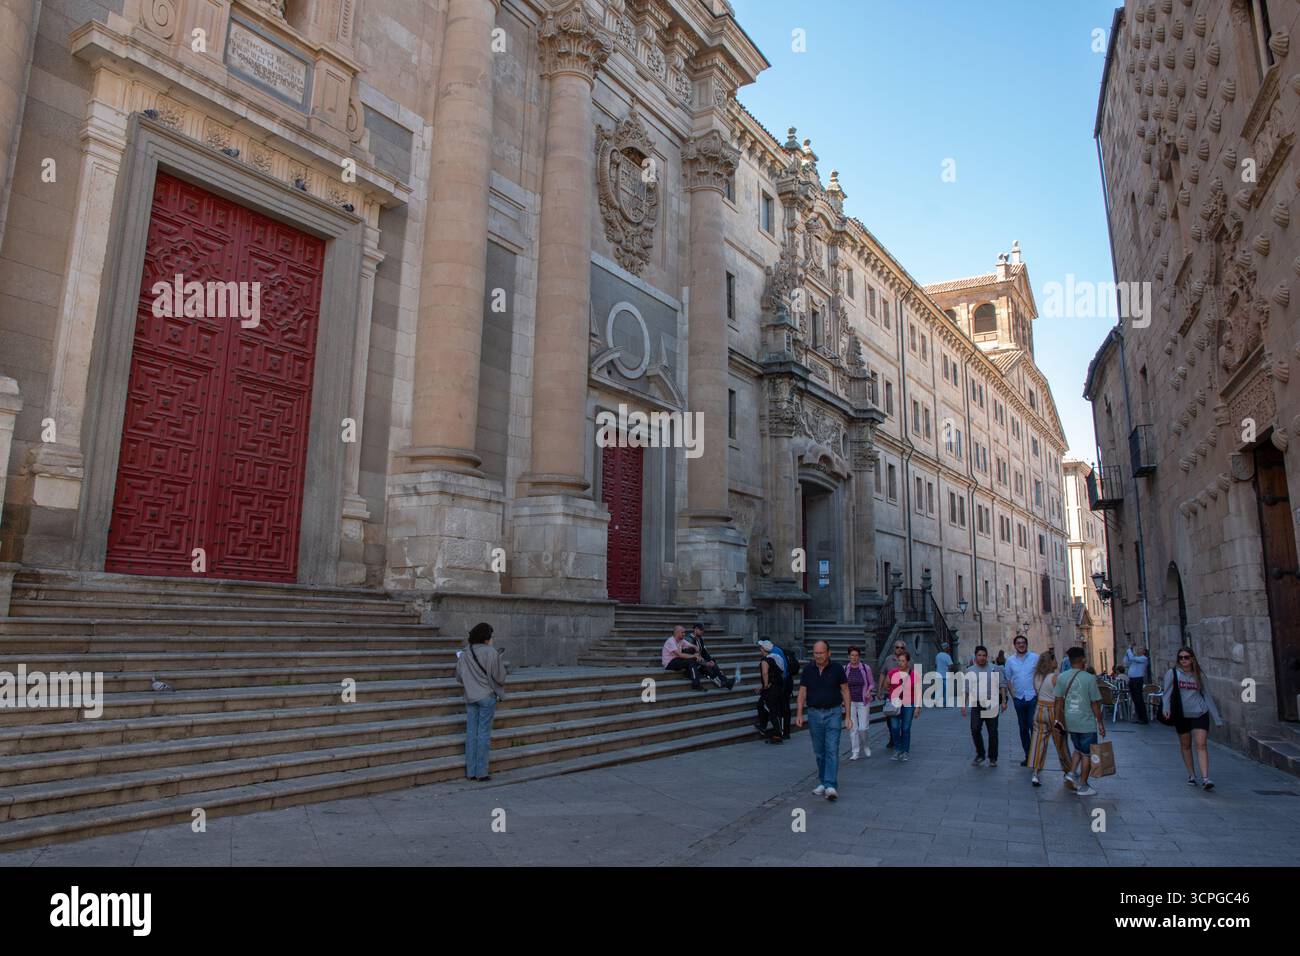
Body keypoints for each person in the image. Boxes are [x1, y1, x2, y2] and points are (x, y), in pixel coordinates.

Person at [1162, 647, 1224, 790]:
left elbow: (1207, 695)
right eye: (1181, 657)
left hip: (1200, 712)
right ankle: (1191, 774)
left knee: (1201, 744)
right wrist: (1166, 708)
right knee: (1185, 744)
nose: (1184, 660)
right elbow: (1166, 693)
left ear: (1192, 658)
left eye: (1186, 657)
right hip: (1181, 714)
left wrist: (1217, 718)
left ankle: (1206, 778)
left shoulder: (1199, 675)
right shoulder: (1172, 674)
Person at [795, 640, 850, 800]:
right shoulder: (808, 670)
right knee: (819, 752)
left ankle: (831, 785)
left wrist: (848, 716)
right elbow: (802, 693)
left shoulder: (837, 668)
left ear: (829, 653)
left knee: (831, 749)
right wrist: (799, 714)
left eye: (821, 653)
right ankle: (824, 781)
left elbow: (845, 692)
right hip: (813, 714)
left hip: (833, 713)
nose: (818, 656)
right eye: (816, 653)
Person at [454, 622, 507, 781]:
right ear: (487, 637)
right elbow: (500, 677)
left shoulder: (465, 653)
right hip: (486, 696)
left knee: (471, 733)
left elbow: (458, 677)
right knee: (483, 733)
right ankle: (482, 772)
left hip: (470, 697)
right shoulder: (491, 652)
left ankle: (471, 772)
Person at [1056, 646, 1105, 796]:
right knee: (1087, 754)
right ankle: (1083, 785)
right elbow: (1095, 703)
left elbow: (1058, 701)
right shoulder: (1089, 678)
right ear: (1083, 659)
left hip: (1070, 720)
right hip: (1086, 721)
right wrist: (1100, 722)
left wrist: (1059, 719)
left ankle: (1071, 773)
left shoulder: (1062, 677)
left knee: (1078, 749)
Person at [1028, 650, 1072, 786]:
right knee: (1061, 743)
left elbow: (1037, 692)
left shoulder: (1036, 676)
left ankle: (1035, 773)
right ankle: (1068, 771)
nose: (1057, 662)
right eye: (1055, 660)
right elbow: (1061, 696)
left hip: (1039, 710)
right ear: (1050, 662)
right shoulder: (1055, 677)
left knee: (1038, 742)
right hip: (1053, 710)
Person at [962, 645, 1006, 767]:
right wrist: (963, 705)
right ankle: (980, 754)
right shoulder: (970, 670)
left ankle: (993, 757)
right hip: (977, 704)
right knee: (975, 729)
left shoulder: (994, 668)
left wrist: (1003, 702)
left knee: (992, 732)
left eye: (984, 655)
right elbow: (966, 688)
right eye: (979, 655)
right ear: (975, 656)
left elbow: (1002, 684)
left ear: (987, 657)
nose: (982, 658)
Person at [1003, 634, 1040, 766]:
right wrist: (1013, 696)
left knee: (1032, 725)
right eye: (1018, 643)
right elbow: (1008, 678)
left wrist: (1038, 692)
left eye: (1023, 642)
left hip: (1032, 697)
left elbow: (1040, 675)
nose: (1021, 644)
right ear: (1015, 645)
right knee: (1023, 728)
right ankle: (1028, 755)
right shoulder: (1010, 661)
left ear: (1026, 644)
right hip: (1019, 698)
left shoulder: (1035, 658)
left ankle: (1035, 755)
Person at [883, 648, 920, 761]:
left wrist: (918, 707)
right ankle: (897, 750)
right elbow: (886, 685)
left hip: (909, 704)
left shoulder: (914, 675)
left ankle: (905, 751)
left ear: (907, 662)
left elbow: (918, 692)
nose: (900, 663)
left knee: (905, 728)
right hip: (895, 703)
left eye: (903, 661)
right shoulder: (892, 672)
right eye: (899, 661)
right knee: (894, 727)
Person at [845, 646, 875, 759]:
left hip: (863, 701)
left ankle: (866, 745)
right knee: (853, 728)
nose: (854, 657)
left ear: (859, 657)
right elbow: (843, 686)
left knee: (863, 727)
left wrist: (868, 691)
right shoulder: (845, 669)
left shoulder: (865, 668)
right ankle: (855, 751)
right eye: (852, 655)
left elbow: (872, 683)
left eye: (856, 655)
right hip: (850, 702)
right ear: (849, 656)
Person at [756, 640, 788, 742]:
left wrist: (765, 686)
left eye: (760, 648)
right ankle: (765, 727)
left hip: (771, 689)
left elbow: (765, 673)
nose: (760, 650)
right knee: (762, 704)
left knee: (771, 710)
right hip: (777, 687)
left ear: (763, 649)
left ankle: (777, 733)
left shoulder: (765, 661)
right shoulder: (774, 659)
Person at [690, 623, 734, 689]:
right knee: (708, 668)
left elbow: (704, 652)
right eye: (701, 630)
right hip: (693, 663)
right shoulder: (689, 640)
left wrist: (710, 660)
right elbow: (693, 657)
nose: (702, 631)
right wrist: (706, 663)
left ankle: (725, 682)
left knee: (713, 663)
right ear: (695, 629)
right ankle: (725, 682)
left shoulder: (700, 639)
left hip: (700, 661)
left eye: (703, 630)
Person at [662, 625, 706, 690]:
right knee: (691, 660)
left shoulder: (681, 640)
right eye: (682, 632)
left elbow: (692, 645)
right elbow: (680, 654)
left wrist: (696, 650)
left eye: (684, 632)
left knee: (694, 659)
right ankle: (696, 684)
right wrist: (694, 656)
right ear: (677, 633)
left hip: (677, 660)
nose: (684, 634)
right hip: (669, 663)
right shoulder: (670, 641)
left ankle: (689, 674)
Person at [883, 639, 907, 748]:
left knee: (903, 719)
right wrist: (880, 689)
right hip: (891, 695)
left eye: (902, 647)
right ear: (894, 648)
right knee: (890, 718)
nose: (899, 649)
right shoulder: (888, 659)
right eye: (897, 647)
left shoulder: (908, 660)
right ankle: (893, 737)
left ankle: (901, 737)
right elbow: (883, 674)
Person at [1124, 645, 1151, 724]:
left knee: (1139, 699)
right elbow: (1126, 663)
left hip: (1137, 680)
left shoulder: (1143, 658)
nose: (1138, 650)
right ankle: (1139, 717)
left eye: (1140, 649)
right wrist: (1127, 654)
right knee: (1135, 699)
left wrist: (1129, 650)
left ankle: (1144, 718)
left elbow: (1132, 658)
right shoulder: (1135, 659)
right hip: (1132, 680)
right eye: (1138, 649)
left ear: (1144, 652)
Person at [934, 642, 955, 707]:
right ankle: (945, 703)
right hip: (945, 675)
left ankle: (936, 702)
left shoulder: (937, 655)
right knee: (947, 690)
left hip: (938, 674)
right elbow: (951, 665)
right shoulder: (947, 656)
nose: (949, 648)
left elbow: (936, 665)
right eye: (948, 647)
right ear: (946, 648)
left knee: (938, 690)